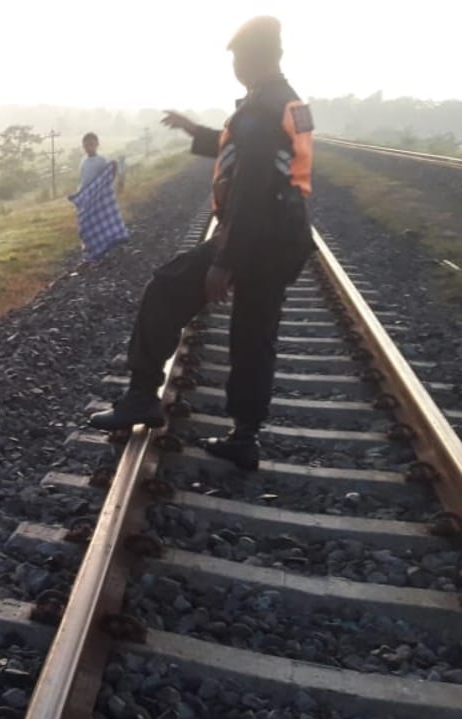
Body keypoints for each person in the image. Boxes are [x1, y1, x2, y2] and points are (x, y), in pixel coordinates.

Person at [88, 16, 315, 473]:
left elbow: (250, 185)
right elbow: (247, 151)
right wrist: (196, 131)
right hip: (283, 237)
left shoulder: (259, 108)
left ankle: (140, 396)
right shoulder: (286, 102)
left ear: (250, 58)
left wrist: (224, 261)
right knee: (255, 336)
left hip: (256, 235)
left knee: (166, 288)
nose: (234, 66)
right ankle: (245, 436)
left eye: (235, 58)